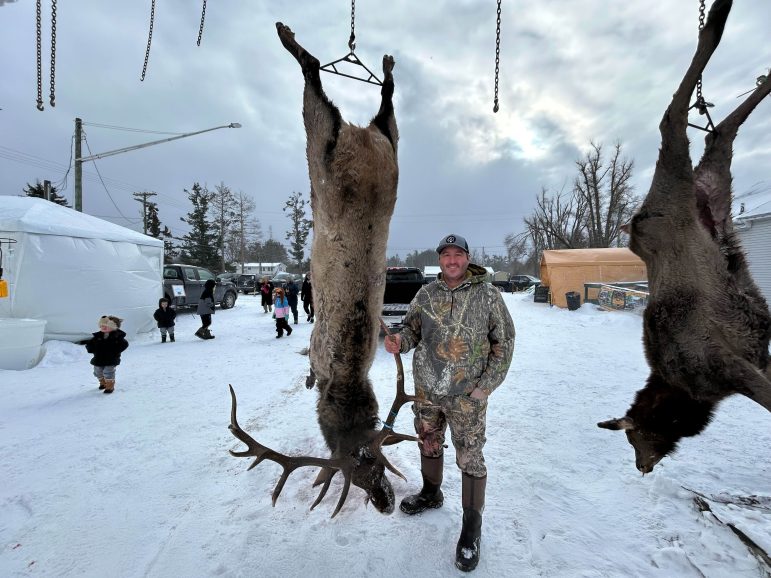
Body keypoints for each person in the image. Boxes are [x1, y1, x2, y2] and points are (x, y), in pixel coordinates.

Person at [384, 233, 515, 572]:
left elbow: (504, 343)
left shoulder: (488, 294)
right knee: (428, 442)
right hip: (427, 390)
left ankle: (472, 529)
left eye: (459, 255)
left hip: (467, 396)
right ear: (440, 259)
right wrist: (400, 340)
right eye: (447, 255)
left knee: (470, 455)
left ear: (468, 258)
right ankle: (431, 493)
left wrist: (486, 387)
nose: (452, 260)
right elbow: (412, 330)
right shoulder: (425, 293)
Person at [85, 315, 129, 395]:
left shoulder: (117, 336)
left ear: (114, 327)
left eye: (106, 326)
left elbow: (124, 344)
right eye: (102, 326)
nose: (103, 327)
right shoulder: (97, 336)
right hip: (98, 358)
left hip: (111, 358)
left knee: (108, 371)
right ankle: (103, 382)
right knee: (97, 371)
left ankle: (109, 386)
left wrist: (116, 351)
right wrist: (90, 348)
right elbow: (90, 344)